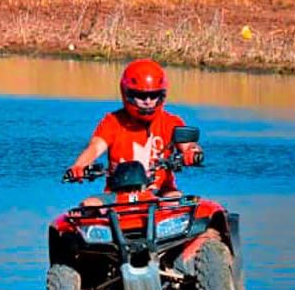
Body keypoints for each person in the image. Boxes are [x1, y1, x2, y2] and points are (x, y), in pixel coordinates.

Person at [64, 58, 203, 195]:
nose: (148, 102)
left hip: (161, 191)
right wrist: (79, 166)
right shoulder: (112, 121)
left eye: (153, 96)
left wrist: (192, 153)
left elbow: (189, 145)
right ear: (128, 94)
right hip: (117, 193)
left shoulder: (170, 122)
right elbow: (94, 148)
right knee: (87, 205)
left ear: (161, 95)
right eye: (141, 96)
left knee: (176, 200)